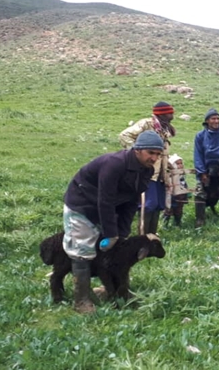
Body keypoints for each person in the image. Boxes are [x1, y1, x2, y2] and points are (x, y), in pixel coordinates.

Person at [63, 130, 164, 313]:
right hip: (82, 203)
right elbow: (105, 200)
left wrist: (122, 233)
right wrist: (111, 233)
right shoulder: (114, 164)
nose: (154, 158)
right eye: (151, 152)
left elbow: (132, 201)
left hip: (109, 206)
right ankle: (81, 300)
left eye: (158, 154)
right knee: (83, 248)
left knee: (114, 250)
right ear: (138, 150)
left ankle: (114, 290)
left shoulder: (146, 170)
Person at [119, 101, 176, 234]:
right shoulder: (146, 124)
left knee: (157, 205)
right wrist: (137, 153)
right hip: (145, 171)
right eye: (170, 112)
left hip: (159, 173)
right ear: (163, 113)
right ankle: (143, 237)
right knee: (148, 205)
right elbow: (124, 135)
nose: (172, 115)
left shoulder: (164, 129)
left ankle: (152, 236)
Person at [193, 108, 219, 227]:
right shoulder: (200, 136)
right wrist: (202, 172)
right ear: (207, 121)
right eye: (213, 119)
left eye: (218, 118)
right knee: (200, 192)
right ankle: (200, 219)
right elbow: (198, 154)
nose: (216, 121)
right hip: (206, 168)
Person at [162, 154, 193, 226]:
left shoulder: (182, 176)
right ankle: (165, 224)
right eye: (177, 164)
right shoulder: (169, 176)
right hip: (170, 198)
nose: (180, 165)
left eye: (181, 163)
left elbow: (185, 185)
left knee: (179, 211)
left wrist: (187, 194)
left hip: (180, 197)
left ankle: (177, 223)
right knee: (168, 210)